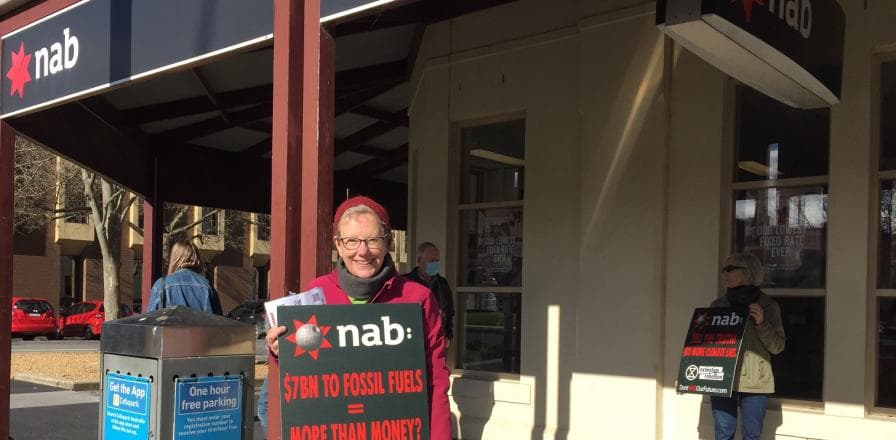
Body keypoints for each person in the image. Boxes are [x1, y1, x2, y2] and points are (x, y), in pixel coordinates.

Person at [264, 196, 451, 439]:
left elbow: (436, 382)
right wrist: (281, 350)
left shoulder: (417, 298)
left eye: (372, 240)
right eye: (351, 241)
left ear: (387, 243)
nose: (362, 251)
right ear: (338, 245)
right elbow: (306, 377)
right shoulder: (318, 294)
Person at [710, 252, 785, 440]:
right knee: (723, 432)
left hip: (756, 382)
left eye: (730, 269)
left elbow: (777, 347)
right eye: (723, 269)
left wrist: (761, 322)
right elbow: (705, 344)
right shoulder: (718, 306)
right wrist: (689, 372)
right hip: (722, 378)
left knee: (752, 435)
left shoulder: (768, 306)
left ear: (748, 272)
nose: (724, 274)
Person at [146, 239, 223, 315]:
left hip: (171, 327)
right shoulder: (206, 285)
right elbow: (218, 321)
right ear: (197, 258)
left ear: (174, 259)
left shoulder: (162, 285)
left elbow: (149, 321)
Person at [404, 242, 455, 343]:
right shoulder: (406, 282)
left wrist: (448, 337)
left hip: (438, 341)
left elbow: (449, 312)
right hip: (414, 341)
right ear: (419, 260)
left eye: (437, 261)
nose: (435, 264)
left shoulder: (442, 284)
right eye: (432, 261)